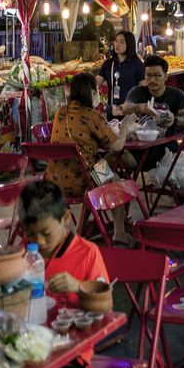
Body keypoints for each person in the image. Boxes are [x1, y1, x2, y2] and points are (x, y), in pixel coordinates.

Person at [18, 179, 109, 368]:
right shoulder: (23, 251)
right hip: (30, 345)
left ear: (66, 218)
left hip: (72, 353)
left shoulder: (87, 253)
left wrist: (79, 287)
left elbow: (105, 307)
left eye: (46, 233)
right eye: (30, 234)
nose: (38, 241)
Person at [46, 72, 132, 242]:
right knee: (118, 181)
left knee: (106, 165)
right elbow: (117, 146)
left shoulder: (60, 113)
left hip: (52, 179)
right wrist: (125, 127)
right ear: (92, 92)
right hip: (83, 178)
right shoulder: (93, 115)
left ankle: (82, 228)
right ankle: (119, 233)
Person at [121, 54, 184, 170]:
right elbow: (125, 108)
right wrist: (141, 108)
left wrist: (173, 120)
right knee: (112, 158)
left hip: (165, 149)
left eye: (157, 76)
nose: (152, 80)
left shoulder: (177, 94)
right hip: (138, 147)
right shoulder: (138, 92)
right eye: (149, 75)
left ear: (166, 76)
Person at [97, 30, 145, 120]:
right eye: (116, 41)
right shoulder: (108, 63)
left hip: (130, 113)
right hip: (112, 112)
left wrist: (138, 106)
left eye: (121, 42)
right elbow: (96, 83)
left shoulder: (136, 63)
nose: (117, 44)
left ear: (129, 44)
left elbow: (144, 87)